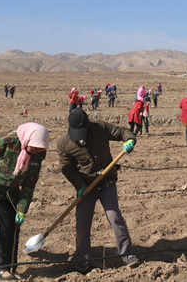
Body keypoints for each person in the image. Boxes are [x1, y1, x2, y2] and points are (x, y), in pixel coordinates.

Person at [56, 108, 139, 274]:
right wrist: (80, 187)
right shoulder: (64, 143)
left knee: (115, 217)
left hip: (107, 181)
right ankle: (82, 264)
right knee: (82, 226)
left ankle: (127, 254)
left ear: (88, 124)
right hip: (87, 188)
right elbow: (68, 169)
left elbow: (122, 132)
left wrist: (130, 140)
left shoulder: (99, 127)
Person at [0, 123, 49, 281]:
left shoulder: (38, 155)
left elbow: (29, 185)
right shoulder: (6, 142)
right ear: (26, 140)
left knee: (14, 229)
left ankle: (12, 268)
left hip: (12, 193)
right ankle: (1, 269)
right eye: (34, 148)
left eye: (40, 149)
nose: (36, 152)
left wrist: (22, 209)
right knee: (4, 228)